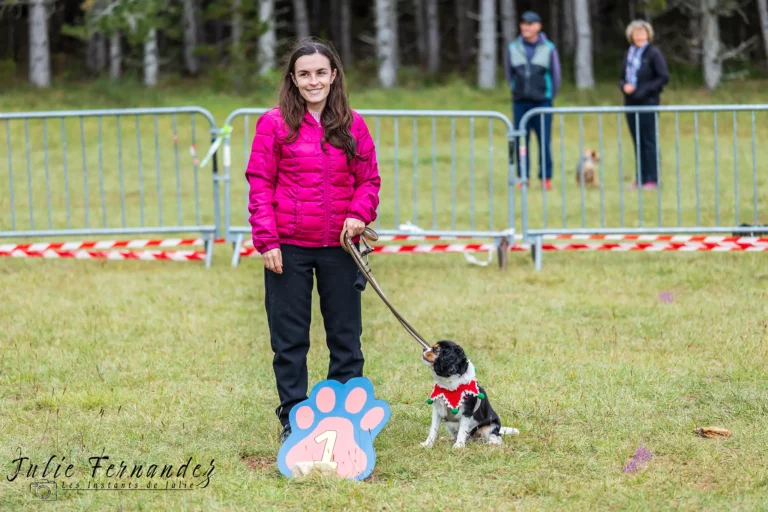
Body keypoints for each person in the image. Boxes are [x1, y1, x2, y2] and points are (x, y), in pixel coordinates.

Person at [245, 38, 381, 444]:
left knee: (346, 338)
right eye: (304, 74)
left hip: (341, 249)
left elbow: (368, 180)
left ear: (334, 75)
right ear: (293, 79)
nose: (313, 80)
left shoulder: (352, 124)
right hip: (288, 248)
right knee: (289, 341)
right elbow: (259, 182)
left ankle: (344, 420)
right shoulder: (274, 123)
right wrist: (267, 240)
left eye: (321, 72)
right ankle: (294, 418)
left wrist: (359, 213)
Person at [504, 10, 561, 191]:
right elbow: (509, 74)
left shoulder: (549, 48)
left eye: (529, 24)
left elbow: (556, 75)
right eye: (523, 24)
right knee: (521, 141)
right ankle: (523, 177)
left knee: (544, 141)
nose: (525, 27)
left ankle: (546, 177)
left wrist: (549, 96)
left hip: (542, 102)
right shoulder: (513, 48)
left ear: (538, 26)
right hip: (520, 102)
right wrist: (515, 90)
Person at [619, 19, 669, 190]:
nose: (639, 36)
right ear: (631, 36)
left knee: (649, 141)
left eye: (642, 33)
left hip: (648, 102)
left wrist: (643, 90)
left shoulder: (654, 54)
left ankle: (652, 179)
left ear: (648, 34)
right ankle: (640, 178)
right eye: (636, 33)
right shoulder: (629, 54)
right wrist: (624, 86)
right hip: (630, 103)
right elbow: (621, 77)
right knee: (637, 141)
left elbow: (663, 77)